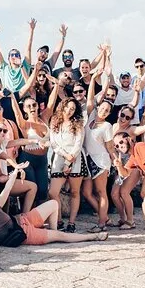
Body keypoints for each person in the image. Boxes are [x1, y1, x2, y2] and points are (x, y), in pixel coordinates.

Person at [0, 170, 108, 247]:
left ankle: (54, 232)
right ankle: (93, 236)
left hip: (23, 219)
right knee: (60, 235)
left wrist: (15, 172)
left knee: (54, 204)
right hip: (23, 234)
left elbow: (7, 189)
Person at [82, 72, 117, 232]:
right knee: (87, 192)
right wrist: (93, 79)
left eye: (107, 110)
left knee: (101, 192)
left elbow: (110, 148)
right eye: (102, 108)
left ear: (109, 113)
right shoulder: (90, 118)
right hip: (88, 159)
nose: (103, 111)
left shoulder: (107, 126)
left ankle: (102, 223)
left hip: (101, 161)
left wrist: (116, 162)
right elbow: (90, 98)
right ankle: (105, 217)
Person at [48, 98, 86, 233]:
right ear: (62, 106)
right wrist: (64, 157)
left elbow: (78, 144)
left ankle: (71, 222)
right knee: (53, 192)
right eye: (67, 107)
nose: (69, 111)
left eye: (73, 109)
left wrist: (68, 162)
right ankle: (58, 221)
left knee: (74, 192)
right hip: (59, 158)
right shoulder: (54, 121)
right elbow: (53, 143)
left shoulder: (78, 124)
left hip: (75, 158)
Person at [0, 21, 32, 93]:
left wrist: (31, 31)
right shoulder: (5, 68)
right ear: (8, 59)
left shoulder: (25, 66)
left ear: (20, 58)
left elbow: (28, 49)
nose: (14, 56)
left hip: (23, 97)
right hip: (10, 97)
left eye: (17, 55)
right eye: (12, 55)